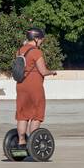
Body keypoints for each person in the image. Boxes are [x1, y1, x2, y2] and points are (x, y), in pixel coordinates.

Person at [14, 27, 56, 157]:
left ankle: (21, 143)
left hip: (21, 86)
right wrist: (52, 72)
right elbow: (43, 71)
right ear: (36, 38)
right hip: (34, 87)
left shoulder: (20, 51)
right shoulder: (36, 52)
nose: (42, 42)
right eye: (41, 39)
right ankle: (32, 143)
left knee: (22, 115)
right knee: (37, 114)